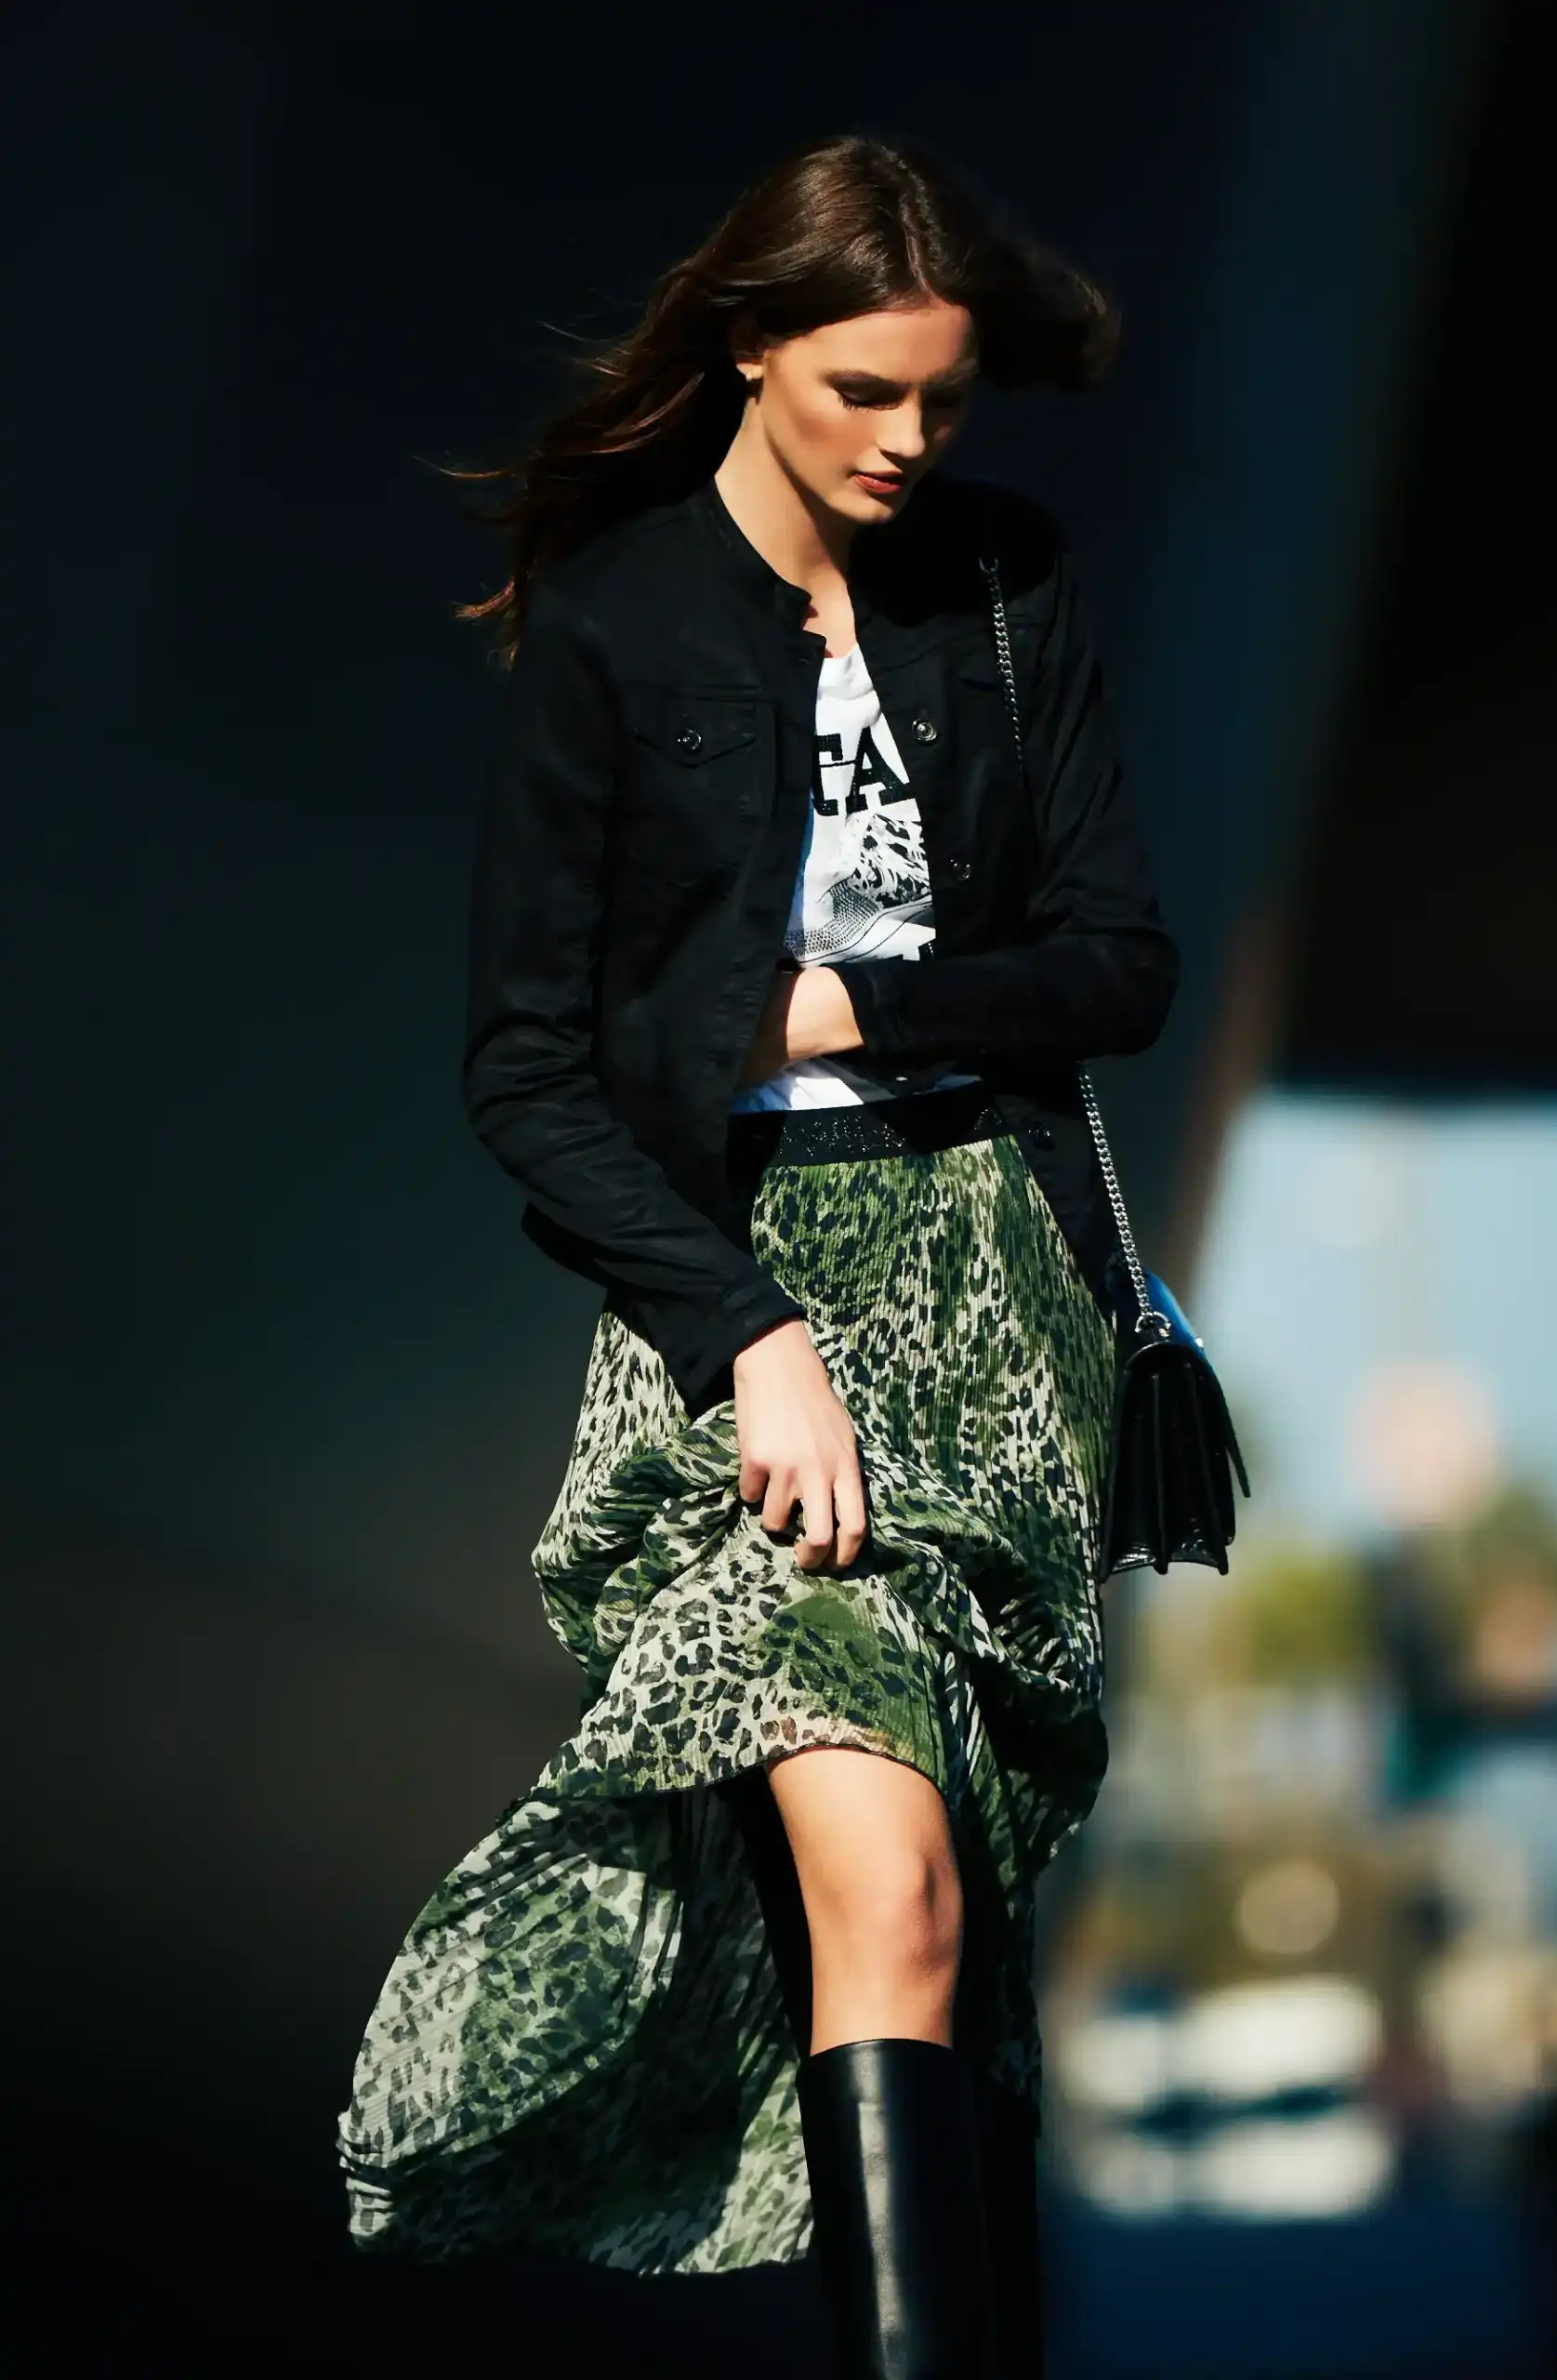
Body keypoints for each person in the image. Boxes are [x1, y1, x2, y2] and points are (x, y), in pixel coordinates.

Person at [336, 129, 1179, 2378]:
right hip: (737, 1301)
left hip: (987, 1301)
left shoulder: (1003, 583)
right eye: (861, 396)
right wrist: (747, 1339)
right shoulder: (616, 628)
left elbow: (1117, 963)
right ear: (749, 353)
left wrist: (850, 1002)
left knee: (953, 1927)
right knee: (882, 1887)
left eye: (944, 401)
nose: (910, 444)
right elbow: (528, 1068)